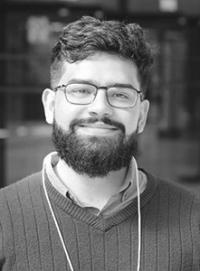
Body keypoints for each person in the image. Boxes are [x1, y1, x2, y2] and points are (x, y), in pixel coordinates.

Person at [0, 16, 199, 271]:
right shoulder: (4, 217)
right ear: (50, 106)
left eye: (120, 94)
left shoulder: (194, 219)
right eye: (80, 90)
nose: (100, 108)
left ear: (142, 116)